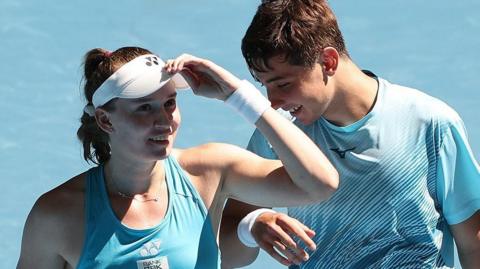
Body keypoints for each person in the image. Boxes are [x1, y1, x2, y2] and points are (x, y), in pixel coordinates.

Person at [16, 46, 339, 269]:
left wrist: (237, 96)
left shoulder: (209, 170)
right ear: (105, 121)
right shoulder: (56, 215)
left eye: (169, 103)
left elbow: (320, 184)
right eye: (144, 107)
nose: (164, 120)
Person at [220, 0, 480, 268]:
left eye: (283, 84)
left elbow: (474, 243)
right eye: (265, 86)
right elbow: (227, 253)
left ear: (328, 61)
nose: (272, 102)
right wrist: (252, 225)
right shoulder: (276, 133)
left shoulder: (431, 122)